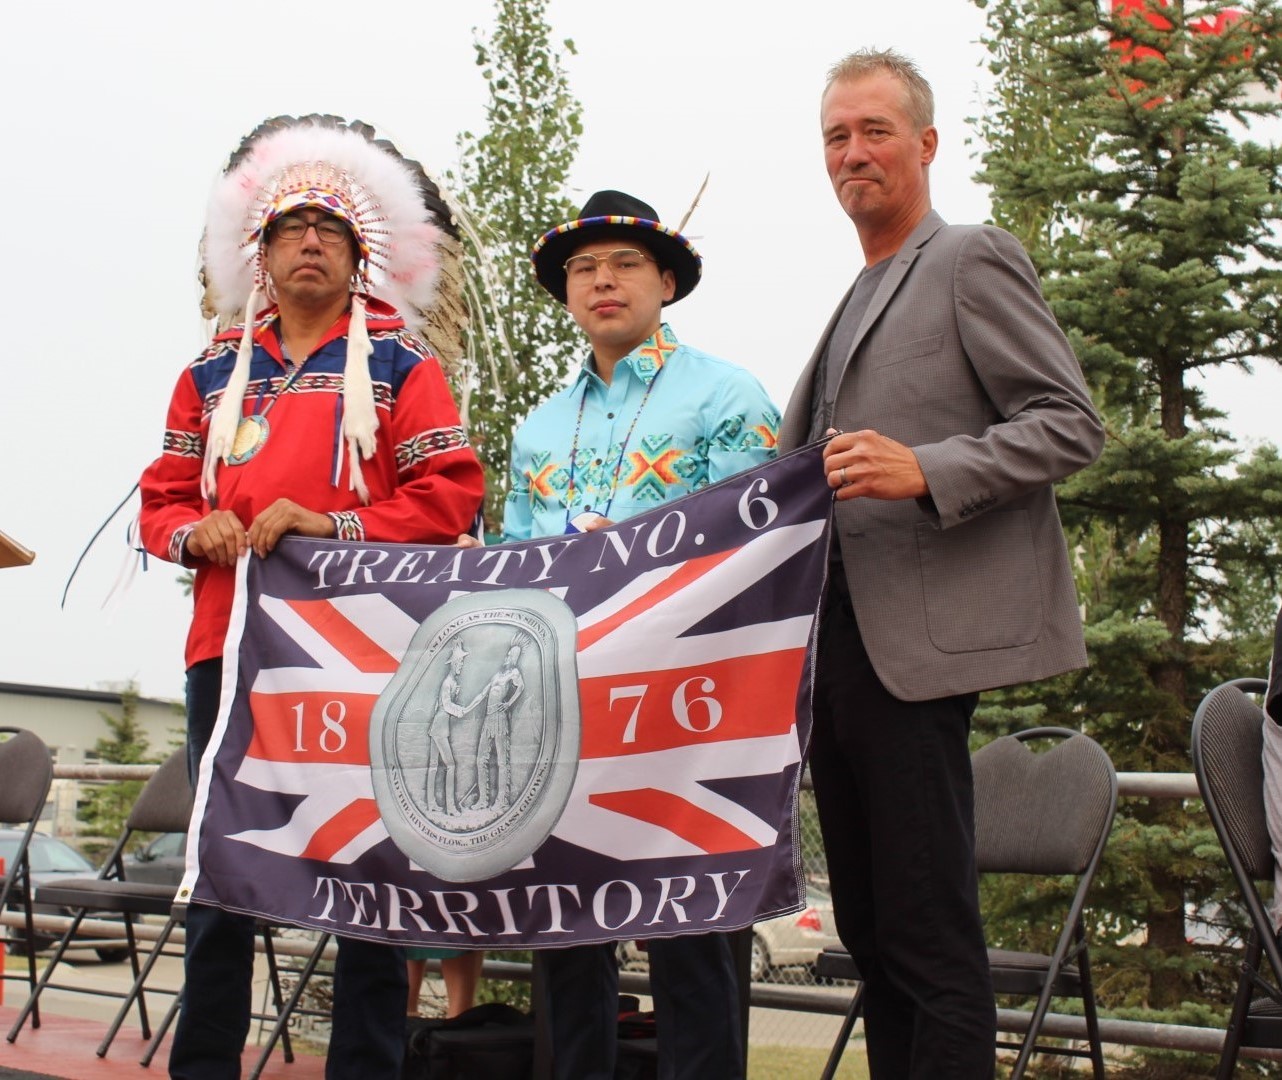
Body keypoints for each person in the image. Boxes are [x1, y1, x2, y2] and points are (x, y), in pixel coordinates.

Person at [776, 50, 1105, 1079]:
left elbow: (1068, 423)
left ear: (924, 143)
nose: (853, 152)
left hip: (912, 655)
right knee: (871, 940)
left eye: (874, 130)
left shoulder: (968, 257)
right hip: (832, 655)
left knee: (925, 940)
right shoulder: (855, 296)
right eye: (836, 135)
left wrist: (926, 467)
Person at [138, 117, 485, 1079]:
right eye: (291, 228)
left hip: (361, 657)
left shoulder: (397, 366)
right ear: (262, 250)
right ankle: (202, 1067)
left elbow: (451, 493)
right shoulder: (211, 375)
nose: (310, 243)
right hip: (230, 651)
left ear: (358, 254)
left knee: (364, 878)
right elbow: (159, 500)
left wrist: (330, 525)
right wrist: (190, 532)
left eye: (330, 231)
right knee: (222, 876)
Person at [505, 189, 780, 1079]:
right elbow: (513, 561)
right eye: (583, 268)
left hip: (688, 707)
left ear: (667, 279)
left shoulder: (728, 395)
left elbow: (757, 547)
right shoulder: (537, 428)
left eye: (624, 262)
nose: (601, 281)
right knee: (564, 928)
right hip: (566, 706)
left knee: (693, 934)